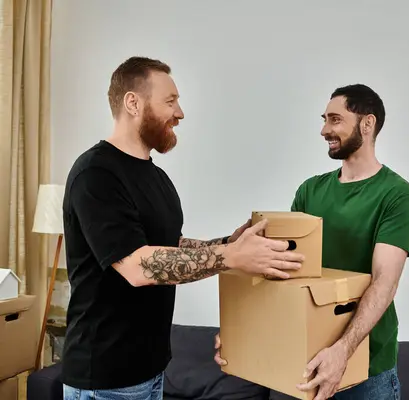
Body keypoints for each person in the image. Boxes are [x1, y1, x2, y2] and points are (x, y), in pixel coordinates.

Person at [60, 56, 305, 400]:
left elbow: (167, 244)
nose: (181, 113)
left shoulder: (157, 178)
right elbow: (136, 265)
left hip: (152, 369)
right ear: (133, 102)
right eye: (170, 101)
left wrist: (226, 242)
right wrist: (231, 256)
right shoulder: (96, 174)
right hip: (106, 378)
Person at [215, 83, 409, 400]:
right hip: (302, 361)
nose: (325, 129)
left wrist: (342, 351)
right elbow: (283, 274)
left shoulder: (396, 195)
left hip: (365, 372)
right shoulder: (310, 191)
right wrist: (241, 330)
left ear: (368, 124)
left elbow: (384, 282)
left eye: (335, 119)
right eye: (324, 119)